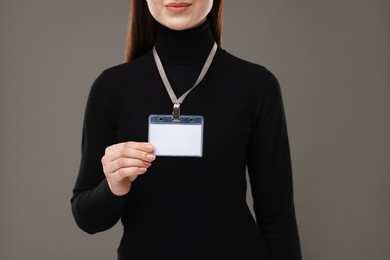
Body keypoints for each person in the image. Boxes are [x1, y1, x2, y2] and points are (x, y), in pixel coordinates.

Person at [71, 0, 302, 259]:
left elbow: (278, 218)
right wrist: (113, 187)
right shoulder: (110, 89)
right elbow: (86, 217)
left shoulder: (257, 86)